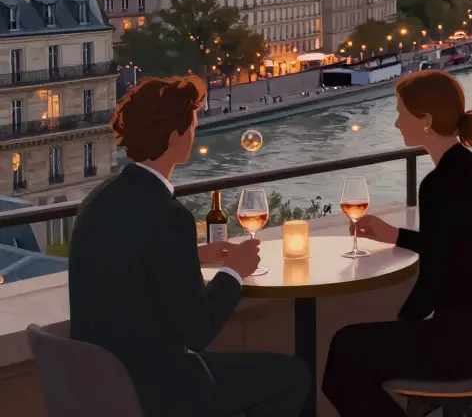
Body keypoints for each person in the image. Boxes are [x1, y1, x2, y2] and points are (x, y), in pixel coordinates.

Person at [69, 76, 309, 417]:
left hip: (103, 386)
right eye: (192, 127)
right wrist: (234, 272)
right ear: (174, 137)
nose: (195, 135)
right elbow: (198, 331)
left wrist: (193, 256)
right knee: (293, 375)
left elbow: (125, 260)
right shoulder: (169, 215)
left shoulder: (98, 199)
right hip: (162, 391)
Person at [323, 71, 472, 417]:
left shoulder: (439, 183)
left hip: (462, 344)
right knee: (350, 351)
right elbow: (454, 245)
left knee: (344, 354)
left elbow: (435, 276)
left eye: (401, 113)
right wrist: (396, 236)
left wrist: (403, 324)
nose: (396, 123)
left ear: (425, 120)